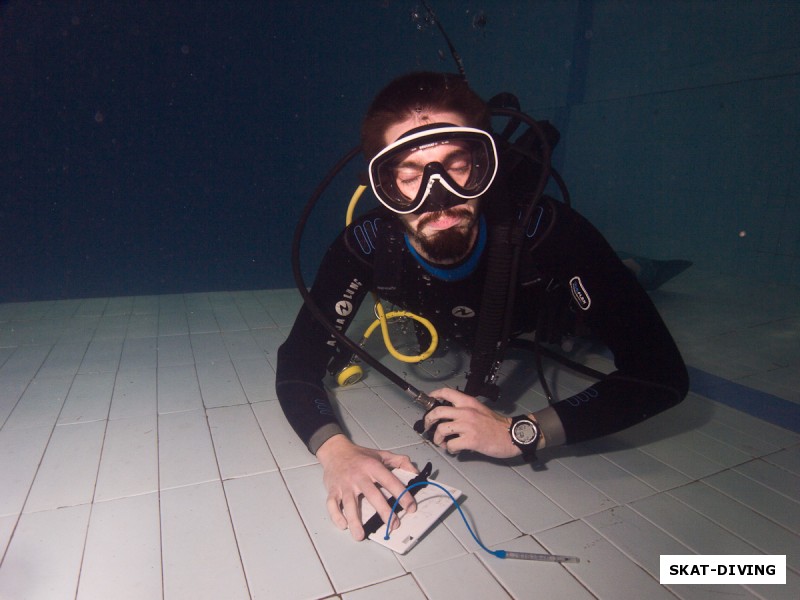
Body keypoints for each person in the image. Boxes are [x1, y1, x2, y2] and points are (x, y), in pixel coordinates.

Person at [276, 72, 689, 541]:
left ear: (482, 165)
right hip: (459, 331)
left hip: (548, 318)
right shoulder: (366, 245)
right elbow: (297, 361)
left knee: (599, 308)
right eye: (410, 176)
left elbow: (660, 375)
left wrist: (522, 432)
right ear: (384, 186)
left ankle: (637, 270)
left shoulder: (546, 230)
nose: (438, 196)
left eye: (455, 166)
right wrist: (336, 452)